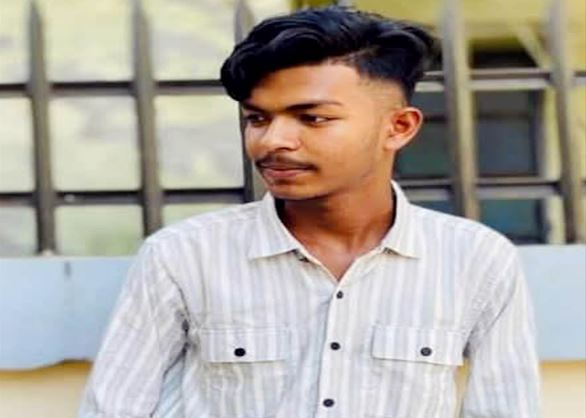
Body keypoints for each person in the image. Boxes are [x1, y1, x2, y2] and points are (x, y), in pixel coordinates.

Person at [79, 6, 540, 418]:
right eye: (257, 118)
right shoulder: (184, 255)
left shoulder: (474, 259)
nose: (272, 140)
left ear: (398, 127)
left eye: (312, 118)